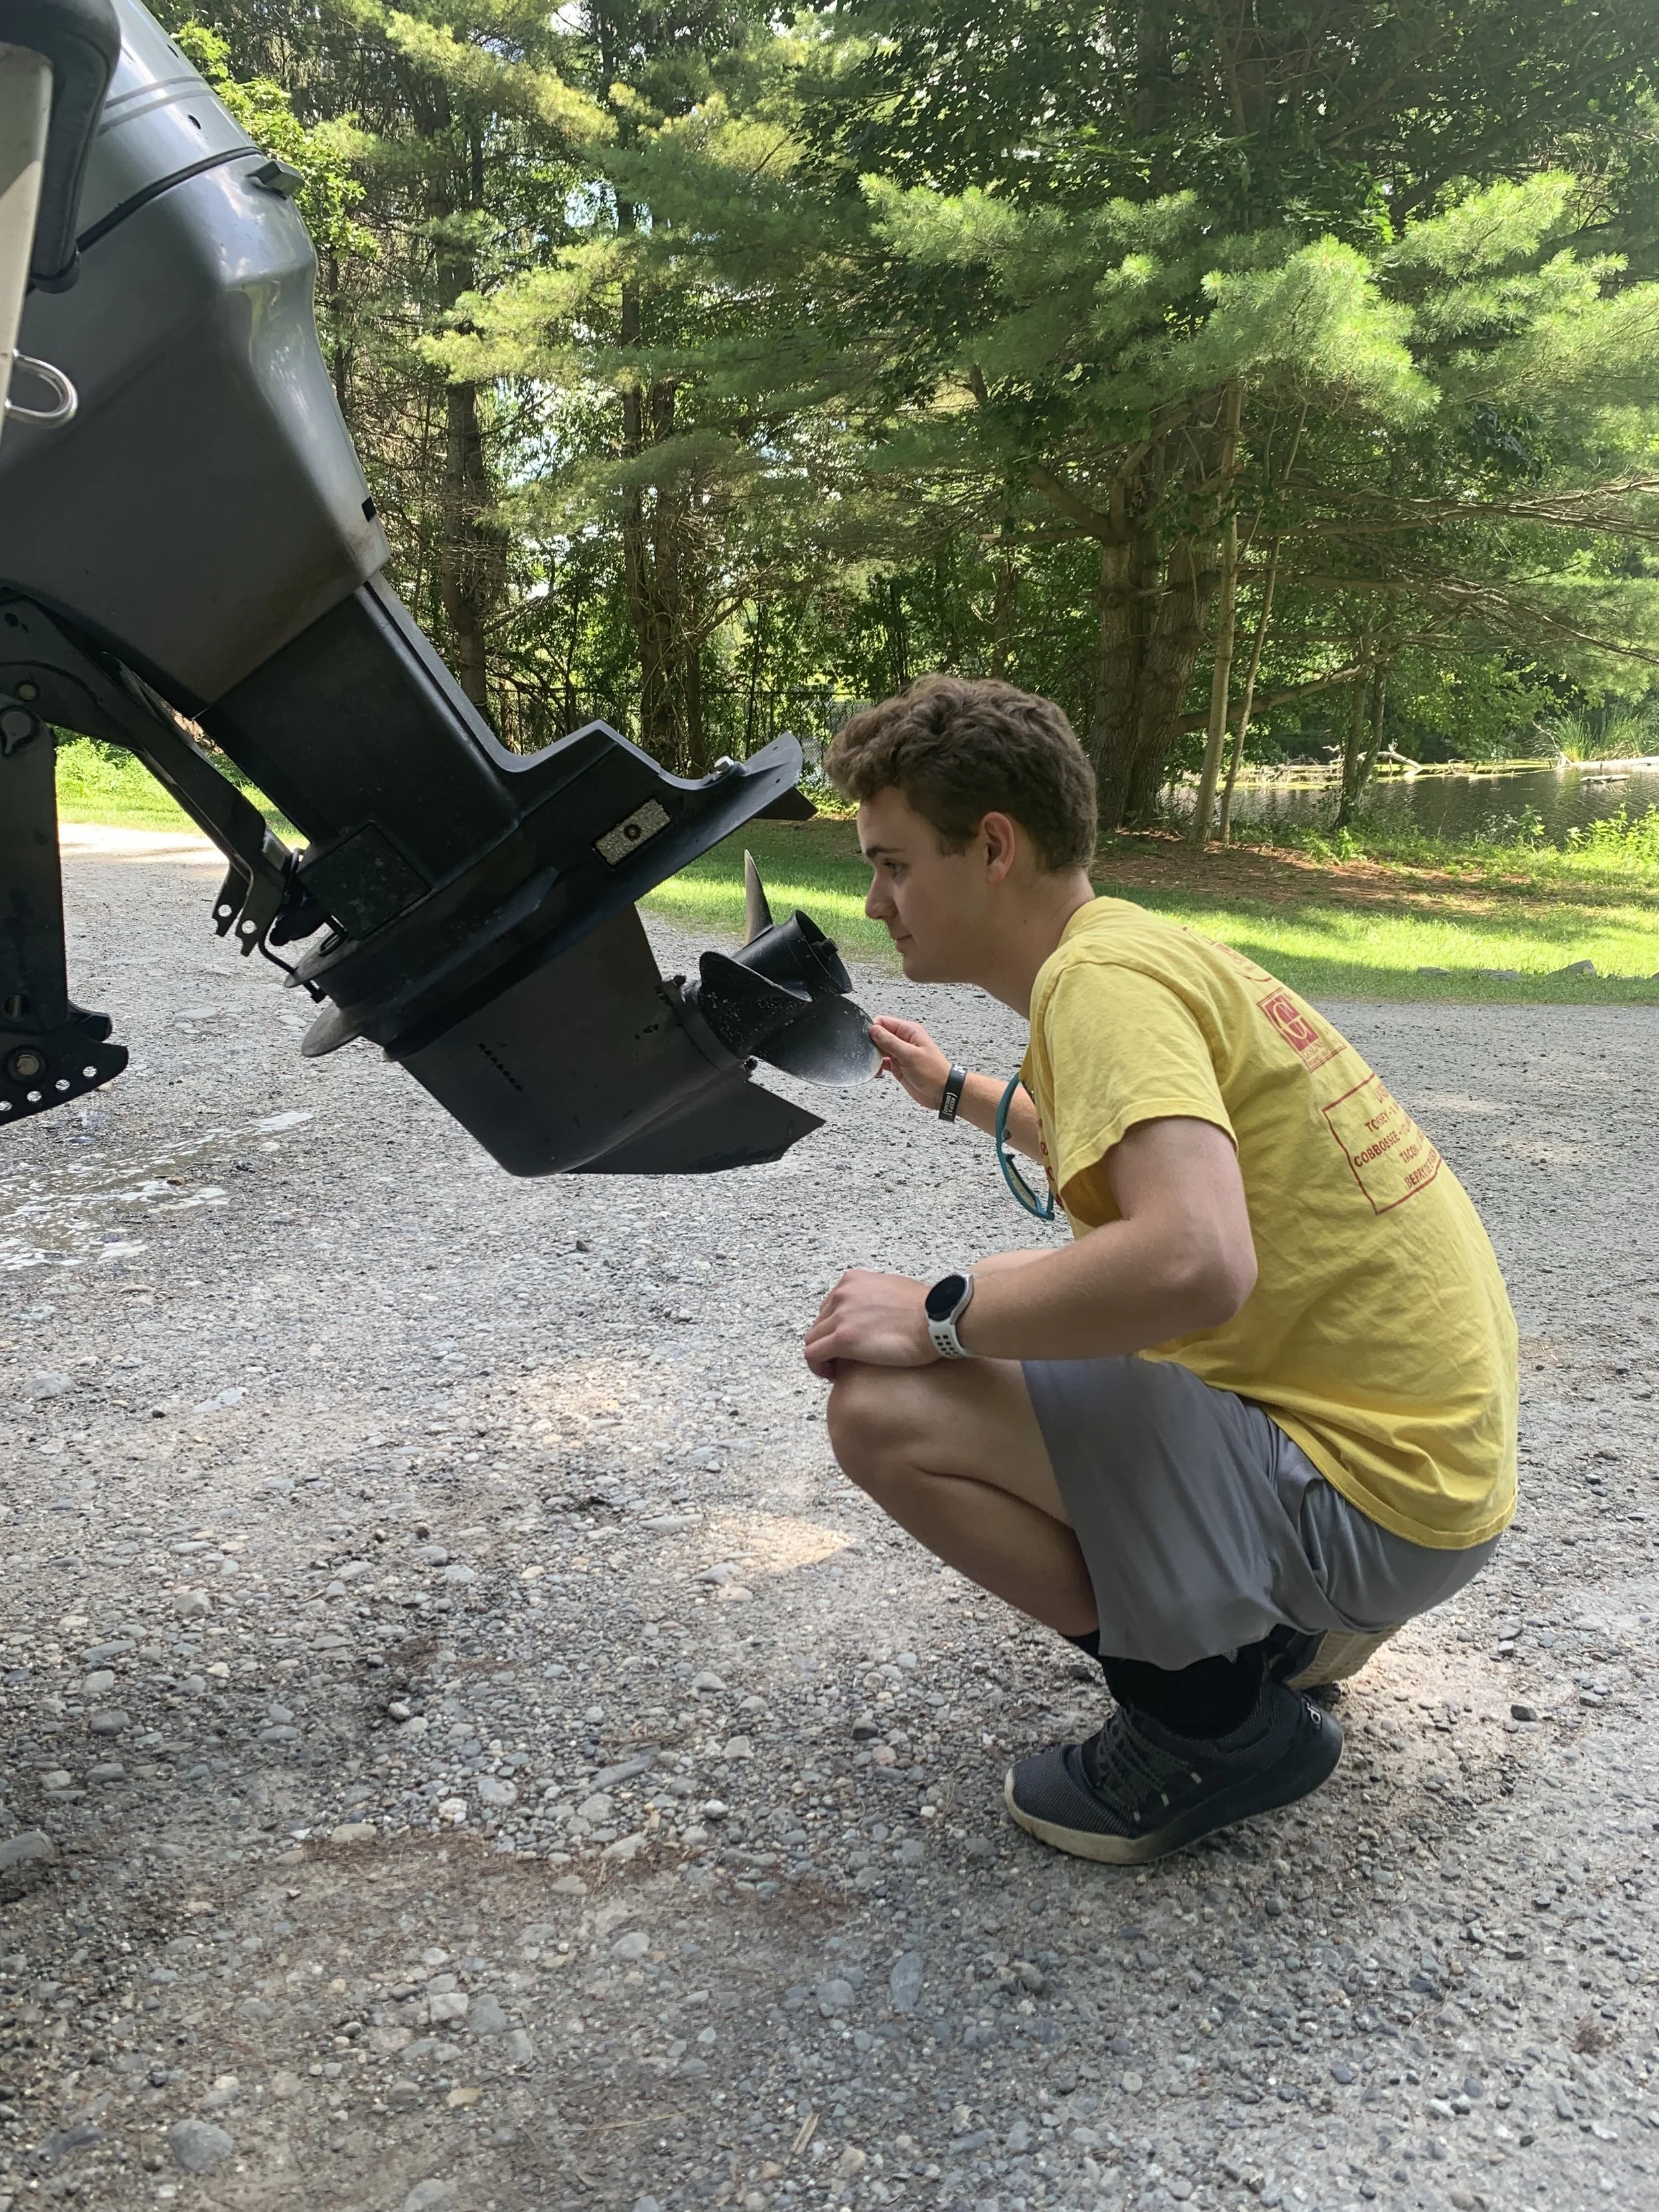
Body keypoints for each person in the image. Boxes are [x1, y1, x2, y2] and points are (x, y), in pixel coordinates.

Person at [805, 676, 1517, 1866]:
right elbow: (1131, 1143)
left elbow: (1194, 1259)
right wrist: (956, 1094)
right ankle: (1278, 1636)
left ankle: (1210, 1720)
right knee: (1091, 1325)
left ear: (993, 846)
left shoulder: (1098, 990)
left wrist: (939, 1315)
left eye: (891, 864)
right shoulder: (1138, 952)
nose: (876, 902)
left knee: (887, 1407)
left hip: (1375, 1508)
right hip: (1425, 1479)